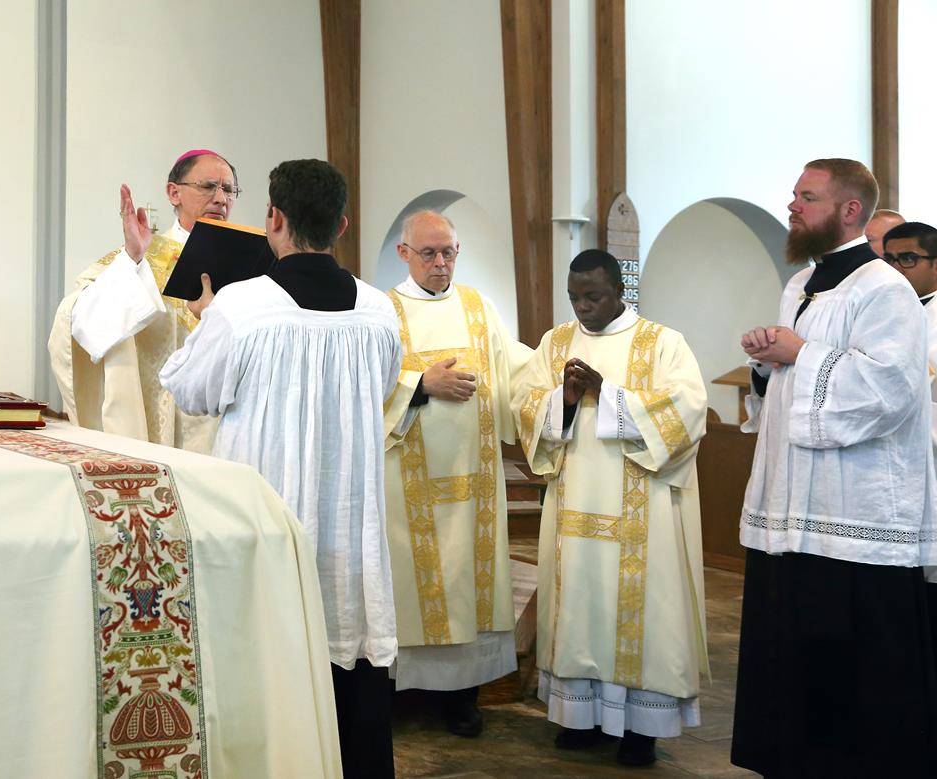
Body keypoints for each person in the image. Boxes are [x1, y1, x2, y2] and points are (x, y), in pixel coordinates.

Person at [160, 159, 403, 778]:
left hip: (269, 525)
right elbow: (381, 389)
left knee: (269, 648)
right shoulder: (378, 310)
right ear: (342, 224)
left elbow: (189, 390)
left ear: (273, 218)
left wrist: (204, 321)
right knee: (346, 654)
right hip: (348, 533)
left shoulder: (242, 307)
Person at [731, 159, 937, 777]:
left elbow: (891, 388)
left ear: (850, 211)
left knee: (852, 669)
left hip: (852, 514)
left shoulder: (883, 289)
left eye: (807, 196)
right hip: (791, 506)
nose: (793, 206)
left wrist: (801, 352)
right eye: (795, 195)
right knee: (791, 654)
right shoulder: (801, 284)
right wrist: (768, 362)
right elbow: (790, 384)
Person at [516, 249, 709, 767]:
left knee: (642, 618)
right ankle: (581, 719)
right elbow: (525, 405)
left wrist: (610, 395)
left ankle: (641, 730)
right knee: (581, 606)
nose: (583, 307)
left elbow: (688, 413)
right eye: (575, 297)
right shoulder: (556, 343)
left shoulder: (663, 343)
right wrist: (565, 400)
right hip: (574, 510)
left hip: (644, 515)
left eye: (594, 296)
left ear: (619, 290)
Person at [380, 210, 532, 737]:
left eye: (449, 252)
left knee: (468, 585)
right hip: (405, 486)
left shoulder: (477, 306)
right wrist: (420, 384)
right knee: (411, 587)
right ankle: (402, 694)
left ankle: (461, 697)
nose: (441, 262)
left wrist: (558, 378)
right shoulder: (383, 312)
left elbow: (516, 370)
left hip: (474, 484)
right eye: (429, 253)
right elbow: (365, 382)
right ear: (404, 253)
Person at [46, 149, 238, 453]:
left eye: (228, 189)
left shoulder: (252, 266)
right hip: (164, 434)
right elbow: (76, 318)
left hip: (231, 430)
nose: (220, 198)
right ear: (174, 193)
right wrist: (132, 260)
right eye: (208, 186)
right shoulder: (145, 259)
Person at [881, 220, 937, 674]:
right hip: (888, 470)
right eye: (889, 259)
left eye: (908, 259)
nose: (896, 268)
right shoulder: (878, 310)